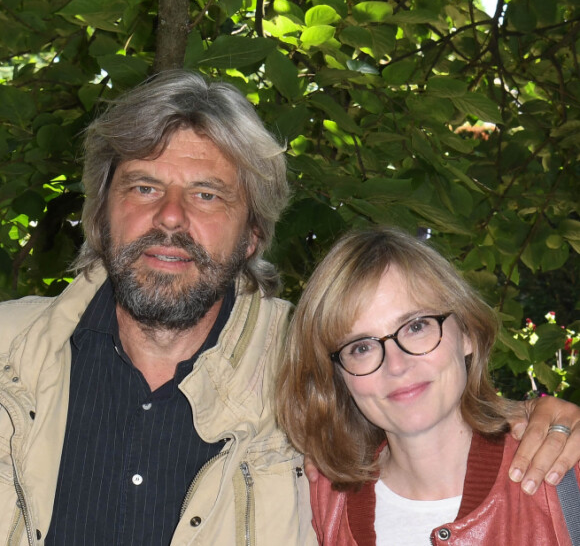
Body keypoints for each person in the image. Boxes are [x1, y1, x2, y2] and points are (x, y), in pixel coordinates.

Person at [0, 72, 576, 546]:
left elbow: (419, 404)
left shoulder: (313, 368)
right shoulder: (9, 353)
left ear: (253, 234)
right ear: (101, 212)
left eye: (207, 194)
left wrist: (537, 420)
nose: (171, 218)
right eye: (144, 188)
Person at [277, 226, 580, 545]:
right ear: (338, 375)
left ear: (467, 333)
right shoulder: (318, 503)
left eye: (416, 326)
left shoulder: (564, 476)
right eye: (361, 347)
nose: (396, 365)